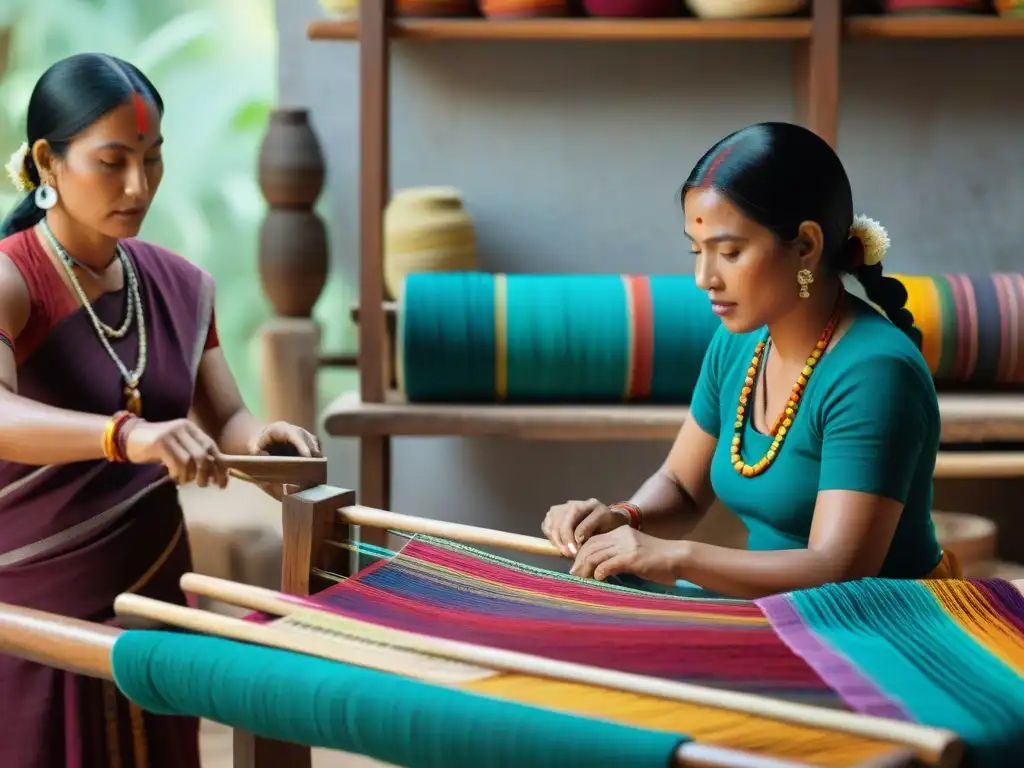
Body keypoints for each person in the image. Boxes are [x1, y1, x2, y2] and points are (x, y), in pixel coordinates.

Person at [0, 53, 321, 767]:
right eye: (112, 161)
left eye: (152, 159)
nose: (138, 185)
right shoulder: (13, 279)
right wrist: (127, 436)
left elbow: (226, 420)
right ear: (49, 163)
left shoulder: (175, 283)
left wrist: (263, 445)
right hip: (33, 616)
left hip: (155, 603)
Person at [541, 122, 957, 601]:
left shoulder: (875, 374)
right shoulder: (739, 344)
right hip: (774, 609)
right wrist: (621, 517)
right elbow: (680, 487)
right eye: (697, 251)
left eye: (730, 252)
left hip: (879, 621)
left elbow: (838, 567)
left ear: (805, 246)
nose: (704, 278)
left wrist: (677, 556)